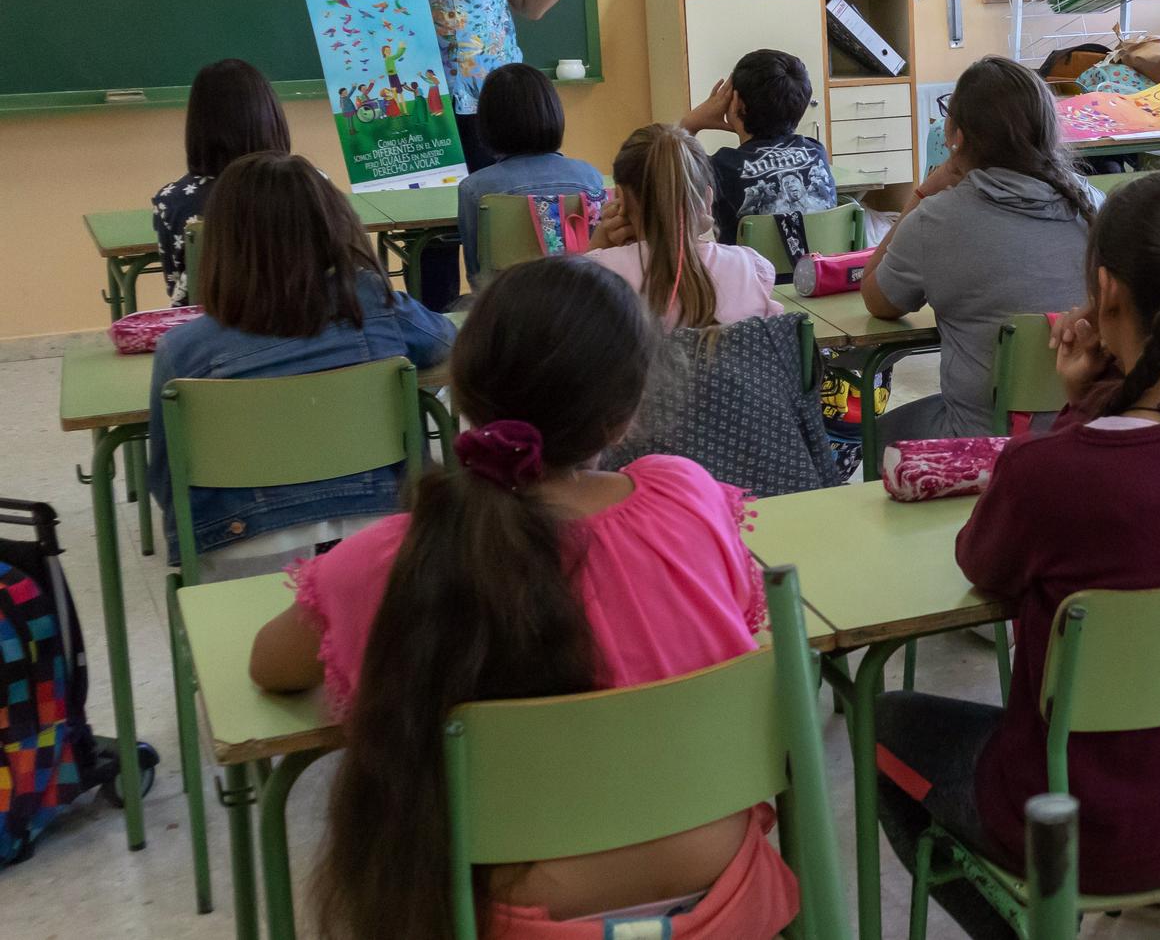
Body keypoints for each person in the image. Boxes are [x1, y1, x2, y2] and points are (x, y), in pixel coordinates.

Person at [249, 258, 793, 940]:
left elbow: (271, 664)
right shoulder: (687, 498)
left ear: (466, 394)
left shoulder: (399, 555)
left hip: (514, 923)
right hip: (722, 900)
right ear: (623, 417)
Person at [871, 171, 1160, 939]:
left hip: (1084, 824)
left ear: (1105, 289)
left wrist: (1075, 407)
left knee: (881, 723)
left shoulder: (1056, 474)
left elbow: (984, 563)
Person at [319, 0, 630, 304]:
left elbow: (530, 4)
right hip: (412, 104)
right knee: (430, 236)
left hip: (496, 101)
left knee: (506, 228)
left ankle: (510, 326)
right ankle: (433, 339)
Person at [148, 153, 456, 576]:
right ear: (333, 225)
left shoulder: (181, 351)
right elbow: (444, 340)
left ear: (221, 245)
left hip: (243, 548)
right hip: (381, 533)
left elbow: (167, 480)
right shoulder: (373, 303)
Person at [861, 57, 1098, 442]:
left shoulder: (936, 219)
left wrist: (921, 195)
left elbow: (877, 300)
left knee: (879, 435)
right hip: (1084, 434)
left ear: (955, 135)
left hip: (978, 441)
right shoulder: (1097, 206)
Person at [584, 123, 781, 328]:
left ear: (620, 198)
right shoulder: (750, 267)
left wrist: (598, 244)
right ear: (707, 198)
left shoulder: (598, 275)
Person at [151, 58, 293, 306]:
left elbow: (181, 292)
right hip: (306, 327)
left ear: (197, 125)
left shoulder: (172, 201)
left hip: (216, 336)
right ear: (270, 115)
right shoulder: (310, 185)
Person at [454, 64, 606, 286]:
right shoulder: (590, 178)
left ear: (487, 123)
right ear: (554, 112)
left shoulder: (475, 188)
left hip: (507, 309)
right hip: (581, 303)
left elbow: (477, 273)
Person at [681, 49, 838, 255]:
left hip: (750, 283)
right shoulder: (816, 151)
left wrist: (689, 124)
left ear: (738, 104)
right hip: (818, 280)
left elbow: (663, 177)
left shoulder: (721, 165)